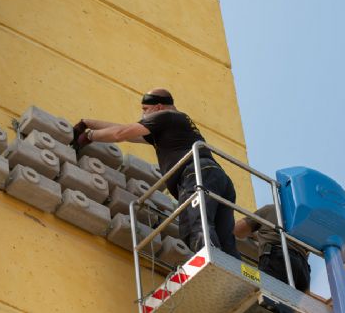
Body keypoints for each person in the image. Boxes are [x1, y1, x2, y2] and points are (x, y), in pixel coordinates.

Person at [73, 88, 240, 259]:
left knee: (195, 226)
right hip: (216, 178)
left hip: (196, 175)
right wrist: (87, 123)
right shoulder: (172, 123)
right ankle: (235, 271)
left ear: (158, 107)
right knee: (225, 237)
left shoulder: (165, 117)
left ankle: (210, 262)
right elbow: (126, 131)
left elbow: (120, 134)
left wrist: (88, 136)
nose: (143, 114)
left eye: (145, 109)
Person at [234, 204, 311, 292]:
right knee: (290, 303)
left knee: (264, 294)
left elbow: (238, 230)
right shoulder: (307, 220)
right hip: (303, 270)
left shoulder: (272, 209)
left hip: (278, 259)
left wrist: (256, 234)